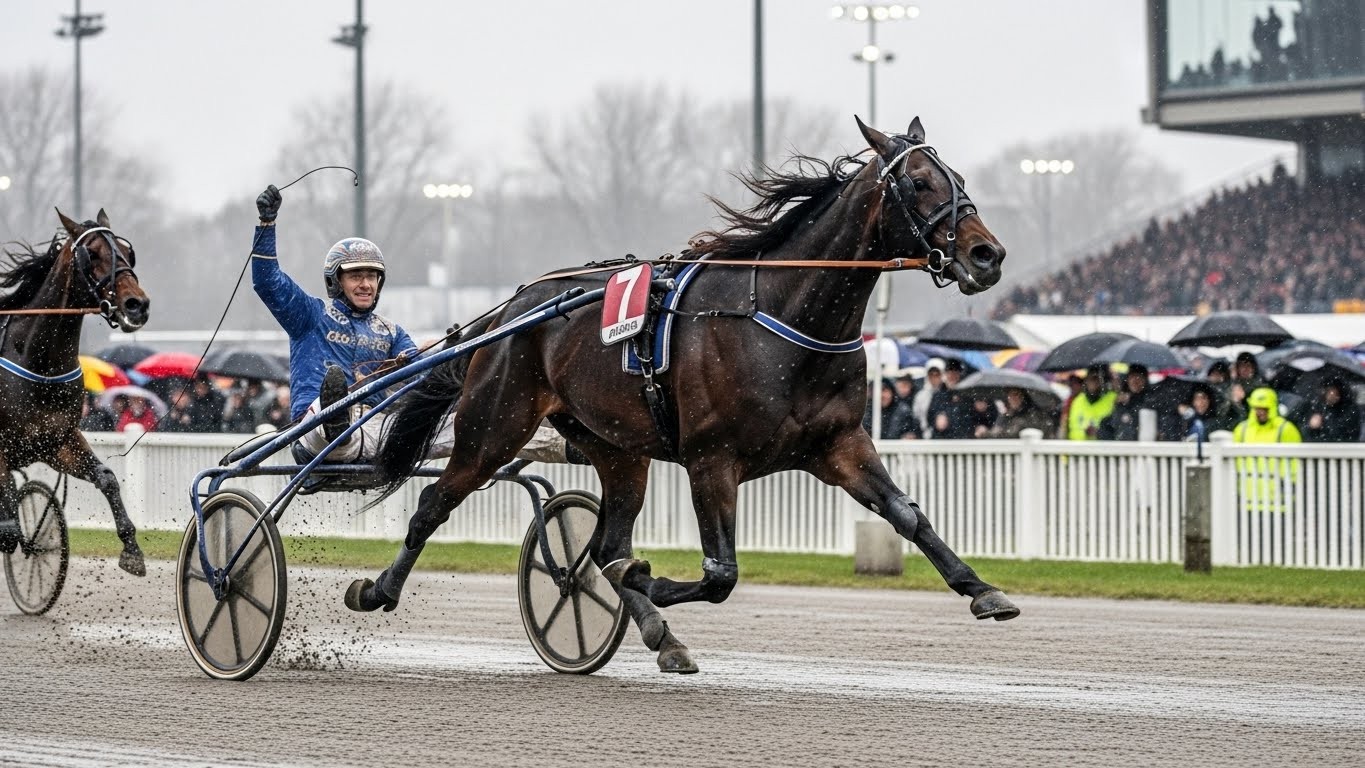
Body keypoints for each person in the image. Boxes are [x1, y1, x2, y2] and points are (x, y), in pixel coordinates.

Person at [250, 184, 573, 464]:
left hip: (381, 433)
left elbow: (422, 382)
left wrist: (450, 357)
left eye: (372, 276)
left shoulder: (391, 332)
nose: (366, 284)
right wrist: (267, 224)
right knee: (330, 408)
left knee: (479, 420)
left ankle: (569, 449)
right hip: (315, 435)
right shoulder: (310, 315)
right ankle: (335, 415)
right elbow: (268, 284)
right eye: (356, 276)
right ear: (336, 281)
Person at [1232, 387, 1301, 514]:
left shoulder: (1286, 429)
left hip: (1278, 504)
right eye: (1257, 408)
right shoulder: (1241, 429)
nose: (1260, 412)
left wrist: (1289, 489)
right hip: (1247, 501)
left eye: (1264, 408)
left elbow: (1295, 466)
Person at [1303, 377, 1361, 443]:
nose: (1330, 395)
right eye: (1327, 390)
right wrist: (1311, 426)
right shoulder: (1317, 405)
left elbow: (1344, 435)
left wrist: (1322, 424)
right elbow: (1305, 431)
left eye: (1332, 391)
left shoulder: (1350, 410)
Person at [1067, 364, 1117, 440]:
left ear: (1103, 381)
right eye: (1091, 379)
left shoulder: (1114, 399)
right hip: (1077, 450)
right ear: (1086, 381)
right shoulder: (1078, 400)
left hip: (1101, 450)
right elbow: (1070, 428)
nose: (1094, 382)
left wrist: (1099, 433)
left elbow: (1116, 428)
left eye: (1097, 379)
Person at [927, 359, 973, 439]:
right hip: (942, 440)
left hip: (962, 440)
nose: (952, 377)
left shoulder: (967, 395)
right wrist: (937, 419)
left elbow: (971, 417)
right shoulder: (938, 395)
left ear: (959, 375)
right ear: (945, 375)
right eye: (949, 373)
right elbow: (930, 416)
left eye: (955, 374)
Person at [986, 388, 1056, 438]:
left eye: (1015, 395)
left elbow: (1011, 434)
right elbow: (998, 429)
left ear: (1023, 397)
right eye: (1009, 396)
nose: (1012, 398)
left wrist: (987, 433)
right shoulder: (1007, 415)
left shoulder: (1033, 414)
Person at [912, 359, 944, 438]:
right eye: (931, 374)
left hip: (943, 437)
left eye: (937, 374)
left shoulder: (947, 394)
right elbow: (916, 417)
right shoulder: (920, 396)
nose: (934, 377)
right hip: (924, 437)